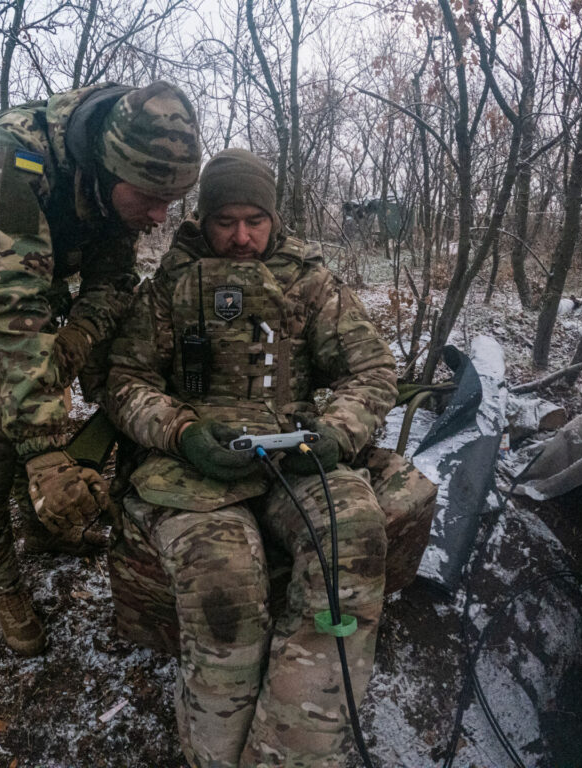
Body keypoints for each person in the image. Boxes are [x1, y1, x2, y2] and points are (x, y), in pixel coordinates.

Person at [105, 148, 433, 766]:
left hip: (297, 451)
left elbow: (371, 368)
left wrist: (336, 431)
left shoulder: (309, 280)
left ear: (274, 218)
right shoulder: (168, 288)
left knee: (352, 537)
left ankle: (294, 750)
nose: (241, 236)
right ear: (203, 221)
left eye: (255, 220)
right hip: (195, 462)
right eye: (225, 221)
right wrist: (180, 431)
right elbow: (124, 382)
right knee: (224, 579)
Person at [0, 82, 201, 657]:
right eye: (151, 197)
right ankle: (3, 586)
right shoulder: (17, 158)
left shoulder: (109, 187)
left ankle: (40, 525)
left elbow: (113, 282)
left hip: (15, 296)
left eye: (171, 200)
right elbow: (13, 308)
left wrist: (78, 337)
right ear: (109, 166)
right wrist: (43, 452)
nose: (159, 217)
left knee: (39, 395)